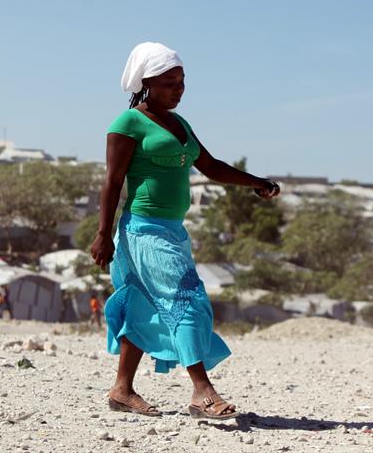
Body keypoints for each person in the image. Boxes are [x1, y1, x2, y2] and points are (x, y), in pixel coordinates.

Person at [90, 42, 280, 420]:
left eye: (182, 81)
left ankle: (122, 390)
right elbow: (112, 182)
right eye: (170, 82)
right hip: (143, 231)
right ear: (147, 83)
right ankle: (202, 392)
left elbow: (209, 166)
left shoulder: (180, 124)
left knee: (144, 306)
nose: (179, 89)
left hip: (173, 231)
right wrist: (102, 234)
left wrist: (256, 181)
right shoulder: (127, 123)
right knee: (187, 299)